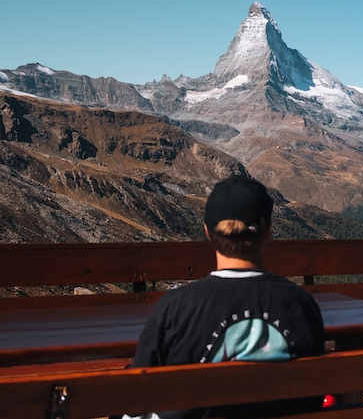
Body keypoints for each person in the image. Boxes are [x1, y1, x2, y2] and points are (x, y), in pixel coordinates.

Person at [122, 175, 325, 419]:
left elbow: (136, 396)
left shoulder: (175, 307)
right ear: (268, 231)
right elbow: (313, 394)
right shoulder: (301, 303)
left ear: (208, 231)